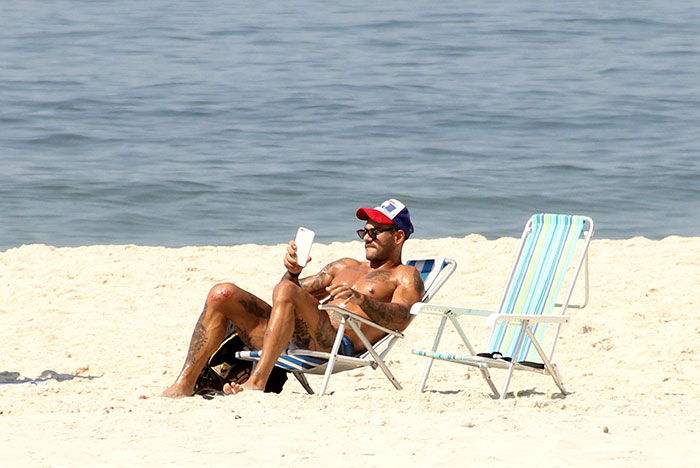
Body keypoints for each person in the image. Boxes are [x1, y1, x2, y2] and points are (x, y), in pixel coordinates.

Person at [161, 198, 425, 398]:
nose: (367, 237)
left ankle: (257, 381)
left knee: (287, 291)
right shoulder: (344, 266)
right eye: (364, 231)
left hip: (334, 343)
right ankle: (184, 384)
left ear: (398, 236)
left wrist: (361, 300)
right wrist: (293, 271)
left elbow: (402, 317)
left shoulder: (405, 276)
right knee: (222, 293)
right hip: (288, 336)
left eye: (375, 231)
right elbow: (284, 293)